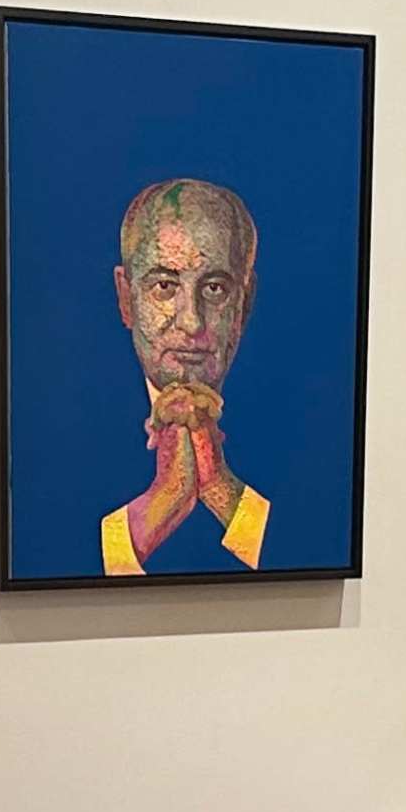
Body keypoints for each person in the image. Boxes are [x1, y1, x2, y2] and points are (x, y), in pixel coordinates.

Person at [99, 177, 270, 574]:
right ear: (126, 298)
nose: (192, 322)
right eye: (164, 285)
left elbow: (315, 555)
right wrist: (153, 513)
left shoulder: (302, 416)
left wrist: (222, 492)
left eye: (214, 288)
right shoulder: (65, 417)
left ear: (244, 305)